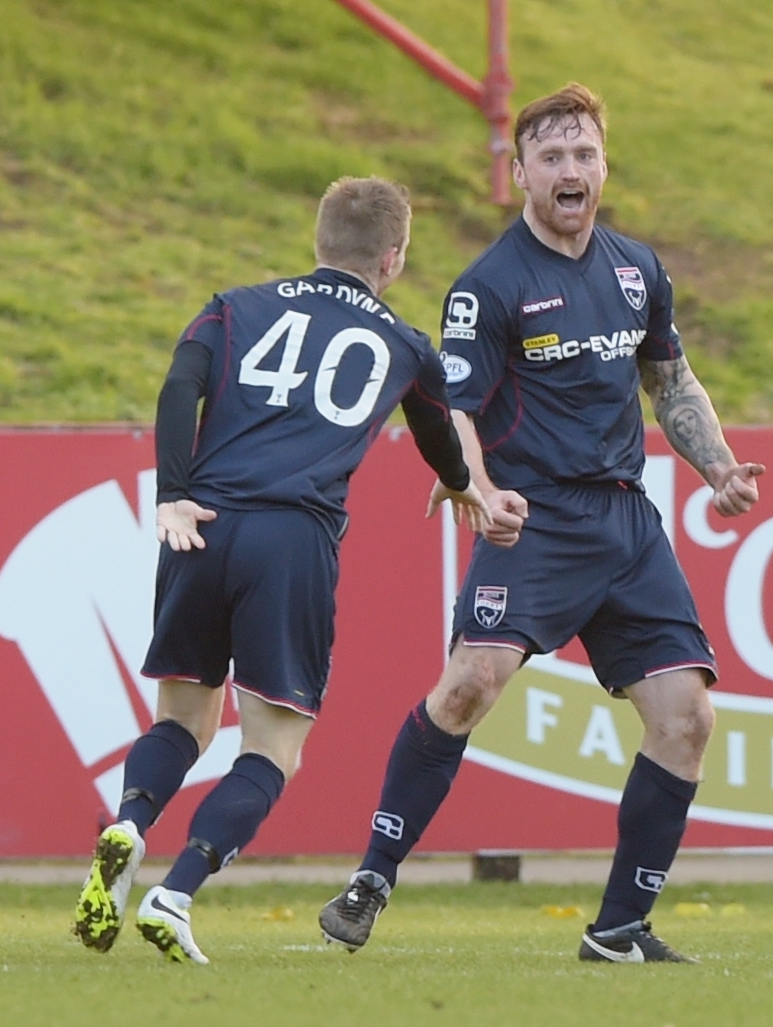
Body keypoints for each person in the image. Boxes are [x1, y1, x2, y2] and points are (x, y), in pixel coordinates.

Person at [318, 85, 764, 964]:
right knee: (468, 686)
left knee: (687, 718)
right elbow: (455, 409)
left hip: (625, 522)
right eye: (552, 156)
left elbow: (669, 379)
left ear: (603, 168)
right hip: (534, 520)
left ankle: (617, 929)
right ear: (519, 172)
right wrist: (479, 488)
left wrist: (716, 466)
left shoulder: (638, 269)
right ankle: (371, 877)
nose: (571, 170)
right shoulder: (489, 286)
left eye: (584, 154)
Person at [73, 176, 491, 964]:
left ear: (318, 241)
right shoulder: (405, 345)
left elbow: (178, 386)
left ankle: (128, 822)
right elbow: (440, 439)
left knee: (180, 722)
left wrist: (173, 492)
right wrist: (464, 486)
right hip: (292, 540)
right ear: (392, 258)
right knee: (270, 749)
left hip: (203, 523)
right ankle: (176, 891)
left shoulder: (233, 305)